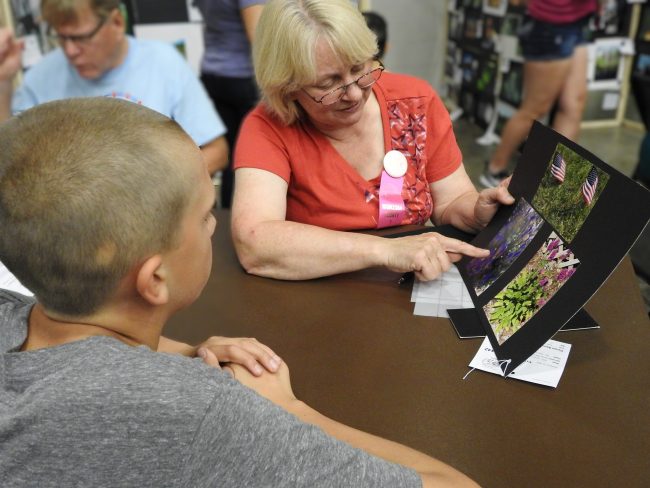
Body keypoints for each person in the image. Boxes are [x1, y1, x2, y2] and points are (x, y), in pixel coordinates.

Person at [0, 97, 479, 487]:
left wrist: (184, 352)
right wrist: (287, 407)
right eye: (207, 213)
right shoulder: (197, 417)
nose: (214, 226)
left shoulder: (13, 314)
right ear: (155, 280)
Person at [231, 0, 514, 281]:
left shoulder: (416, 102)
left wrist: (476, 212)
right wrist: (386, 251)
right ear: (288, 87)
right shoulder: (268, 128)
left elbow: (450, 201)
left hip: (409, 290)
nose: (353, 94)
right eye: (328, 84)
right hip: (319, 298)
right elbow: (255, 242)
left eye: (359, 69)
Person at [0, 0, 228, 175]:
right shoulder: (42, 76)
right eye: (61, 38)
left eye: (81, 38)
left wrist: (155, 189)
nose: (70, 51)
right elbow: (9, 160)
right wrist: (3, 81)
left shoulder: (163, 63)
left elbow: (216, 152)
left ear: (117, 23)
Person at [481, 0, 599, 188]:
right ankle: (495, 169)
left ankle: (554, 178)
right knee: (536, 108)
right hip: (551, 22)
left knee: (573, 104)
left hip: (580, 21)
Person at [195, 0, 266, 207]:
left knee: (230, 157)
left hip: (213, 73)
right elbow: (259, 40)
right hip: (242, 79)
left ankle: (226, 216)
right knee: (246, 159)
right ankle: (239, 218)